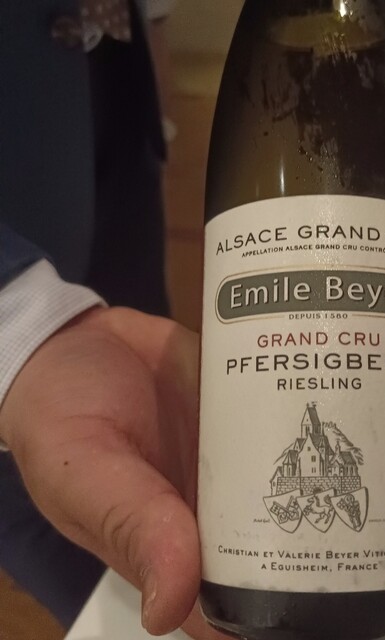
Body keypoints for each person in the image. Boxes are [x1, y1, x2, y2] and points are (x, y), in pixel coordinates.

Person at [0, 1, 220, 637]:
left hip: (112, 84)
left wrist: (153, 30)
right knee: (40, 452)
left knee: (149, 410)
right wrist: (17, 316)